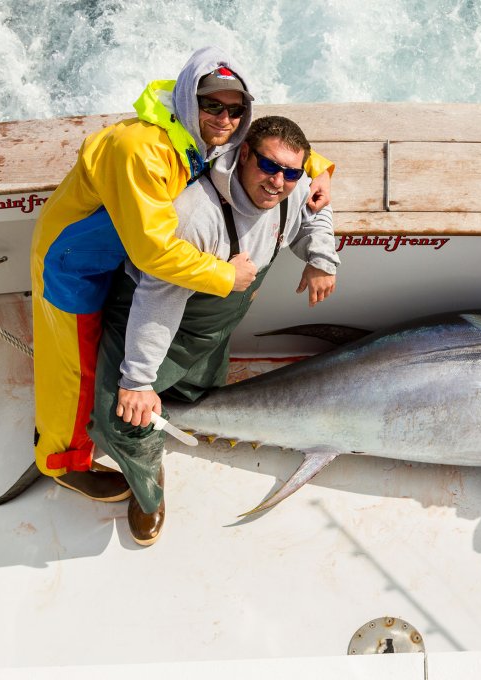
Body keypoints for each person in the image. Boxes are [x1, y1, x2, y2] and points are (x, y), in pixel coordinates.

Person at [30, 47, 335, 504]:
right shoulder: (141, 150)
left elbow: (276, 151)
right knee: (77, 374)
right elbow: (156, 253)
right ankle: (60, 462)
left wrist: (318, 170)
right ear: (190, 102)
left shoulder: (215, 136)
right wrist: (222, 275)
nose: (224, 119)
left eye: (235, 110)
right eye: (212, 105)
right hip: (75, 265)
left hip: (126, 259)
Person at [88, 115, 338, 545]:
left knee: (201, 390)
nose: (278, 181)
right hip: (153, 320)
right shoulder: (198, 217)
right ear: (243, 154)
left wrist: (320, 258)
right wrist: (138, 380)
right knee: (121, 417)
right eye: (269, 166)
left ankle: (172, 400)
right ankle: (148, 486)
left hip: (214, 328)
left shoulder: (288, 194)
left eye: (292, 172)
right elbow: (157, 302)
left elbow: (316, 213)